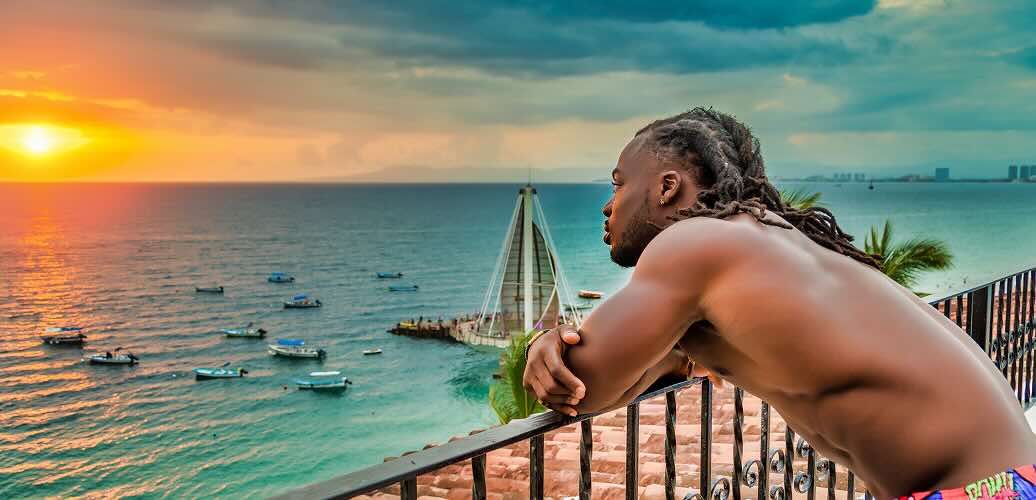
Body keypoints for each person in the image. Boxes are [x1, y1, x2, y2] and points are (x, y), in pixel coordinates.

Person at [523, 107, 1036, 499]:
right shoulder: (768, 240)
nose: (607, 205)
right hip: (1008, 476)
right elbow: (622, 380)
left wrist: (546, 344)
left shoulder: (693, 243)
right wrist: (671, 357)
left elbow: (584, 384)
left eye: (618, 184)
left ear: (666, 186)